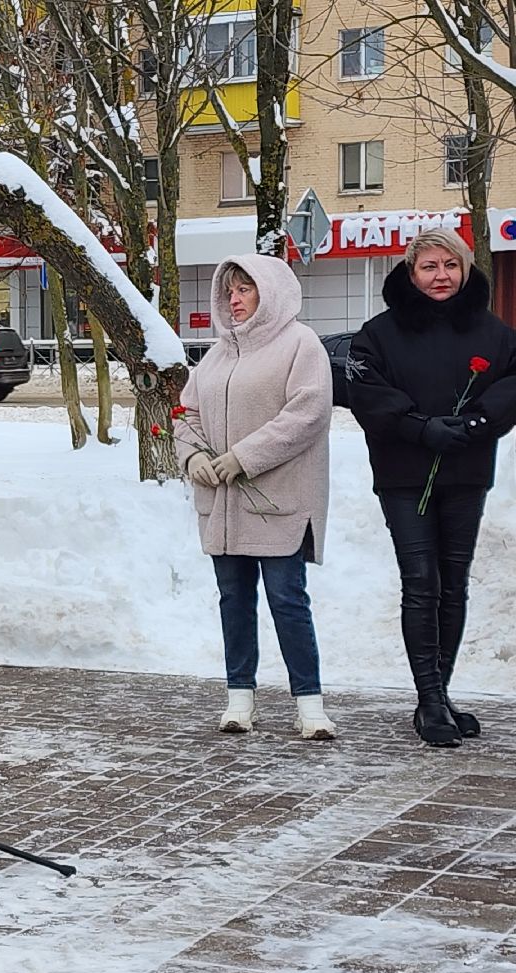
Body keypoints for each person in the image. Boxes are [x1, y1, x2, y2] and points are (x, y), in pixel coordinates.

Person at [347, 228, 516, 748]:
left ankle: (438, 695)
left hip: (466, 469)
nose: (440, 276)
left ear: (465, 269)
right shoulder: (378, 333)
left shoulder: (494, 332)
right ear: (410, 271)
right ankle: (429, 698)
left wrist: (477, 425)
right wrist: (419, 427)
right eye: (429, 266)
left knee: (454, 581)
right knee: (421, 580)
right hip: (404, 472)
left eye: (450, 265)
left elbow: (512, 381)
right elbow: (365, 389)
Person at [174, 254, 335, 740]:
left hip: (278, 502)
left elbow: (308, 413)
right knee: (234, 598)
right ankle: (239, 698)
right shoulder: (217, 354)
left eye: (245, 289)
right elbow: (187, 414)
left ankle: (310, 704)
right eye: (230, 292)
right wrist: (194, 457)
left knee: (287, 599)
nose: (234, 300)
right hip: (223, 506)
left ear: (272, 291)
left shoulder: (300, 344)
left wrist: (244, 456)